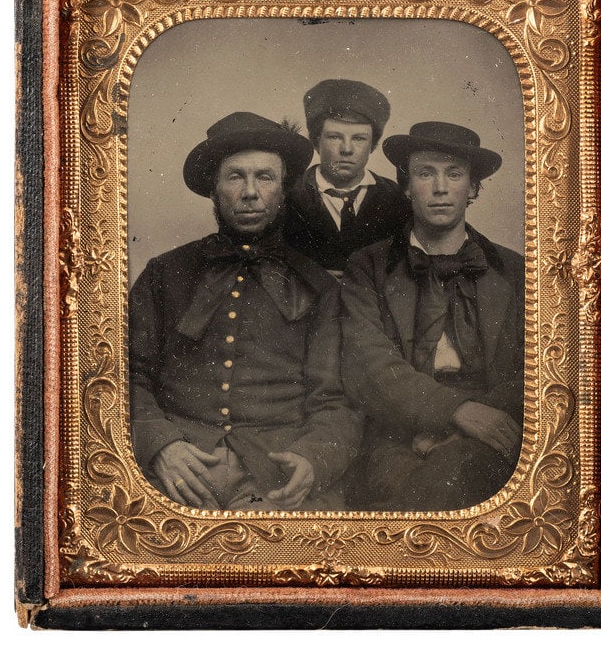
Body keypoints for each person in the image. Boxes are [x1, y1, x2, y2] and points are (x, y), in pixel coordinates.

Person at [129, 111, 361, 511]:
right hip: (174, 466)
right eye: (235, 176)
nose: (250, 192)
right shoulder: (164, 273)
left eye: (265, 177)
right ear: (215, 189)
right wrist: (158, 443)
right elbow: (122, 375)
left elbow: (337, 401)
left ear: (283, 190)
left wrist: (313, 458)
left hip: (274, 474)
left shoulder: (319, 286)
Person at [340, 121, 524, 511]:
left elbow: (539, 366)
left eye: (454, 174)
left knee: (464, 475)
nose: (440, 188)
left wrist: (476, 424)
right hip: (397, 432)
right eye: (426, 173)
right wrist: (452, 412)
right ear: (407, 187)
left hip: (493, 427)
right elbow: (367, 363)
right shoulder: (369, 266)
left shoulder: (514, 270)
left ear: (473, 188)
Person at [284, 79, 411, 278]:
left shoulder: (396, 199)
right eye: (334, 137)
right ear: (316, 142)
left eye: (359, 139)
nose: (347, 149)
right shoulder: (288, 195)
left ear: (373, 145)